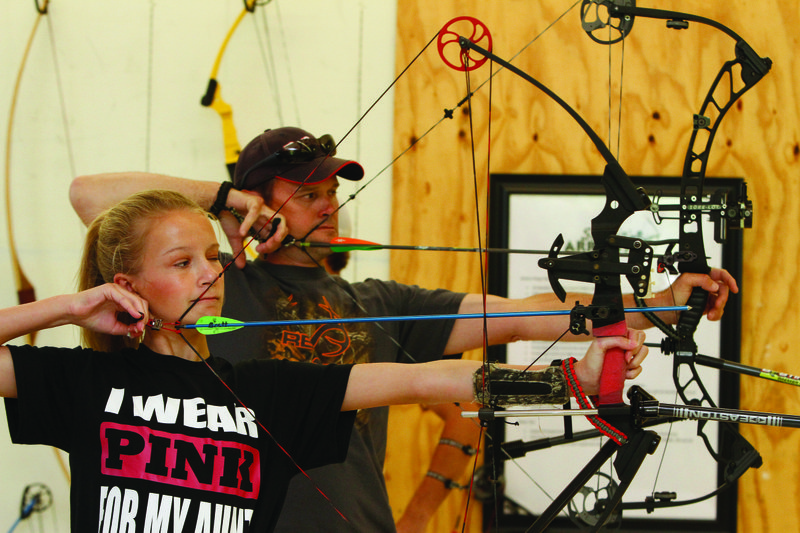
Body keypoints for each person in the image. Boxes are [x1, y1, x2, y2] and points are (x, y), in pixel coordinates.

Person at [69, 127, 737, 533]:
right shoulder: (212, 289)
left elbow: (521, 311)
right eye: (307, 191)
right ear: (260, 200)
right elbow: (89, 197)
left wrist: (656, 304)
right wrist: (225, 200)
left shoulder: (379, 300)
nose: (328, 203)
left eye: (331, 190)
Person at [1, 190, 648, 532]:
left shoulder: (264, 392)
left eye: (213, 255)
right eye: (181, 262)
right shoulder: (85, 382)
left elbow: (426, 376)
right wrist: (68, 308)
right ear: (129, 284)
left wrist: (574, 379)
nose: (211, 272)